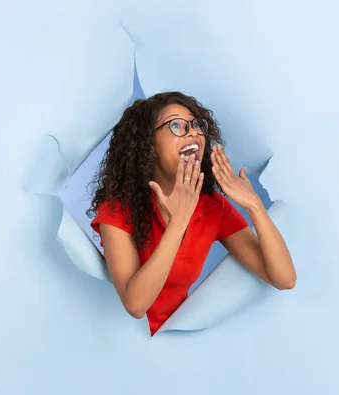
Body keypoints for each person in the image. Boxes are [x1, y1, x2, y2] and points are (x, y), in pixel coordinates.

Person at [87, 91, 296, 336]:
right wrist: (179, 222)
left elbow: (285, 279)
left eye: (197, 125)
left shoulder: (212, 207)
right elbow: (135, 304)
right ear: (148, 144)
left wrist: (254, 205)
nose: (193, 133)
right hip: (115, 338)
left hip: (174, 344)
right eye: (176, 125)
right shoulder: (118, 209)